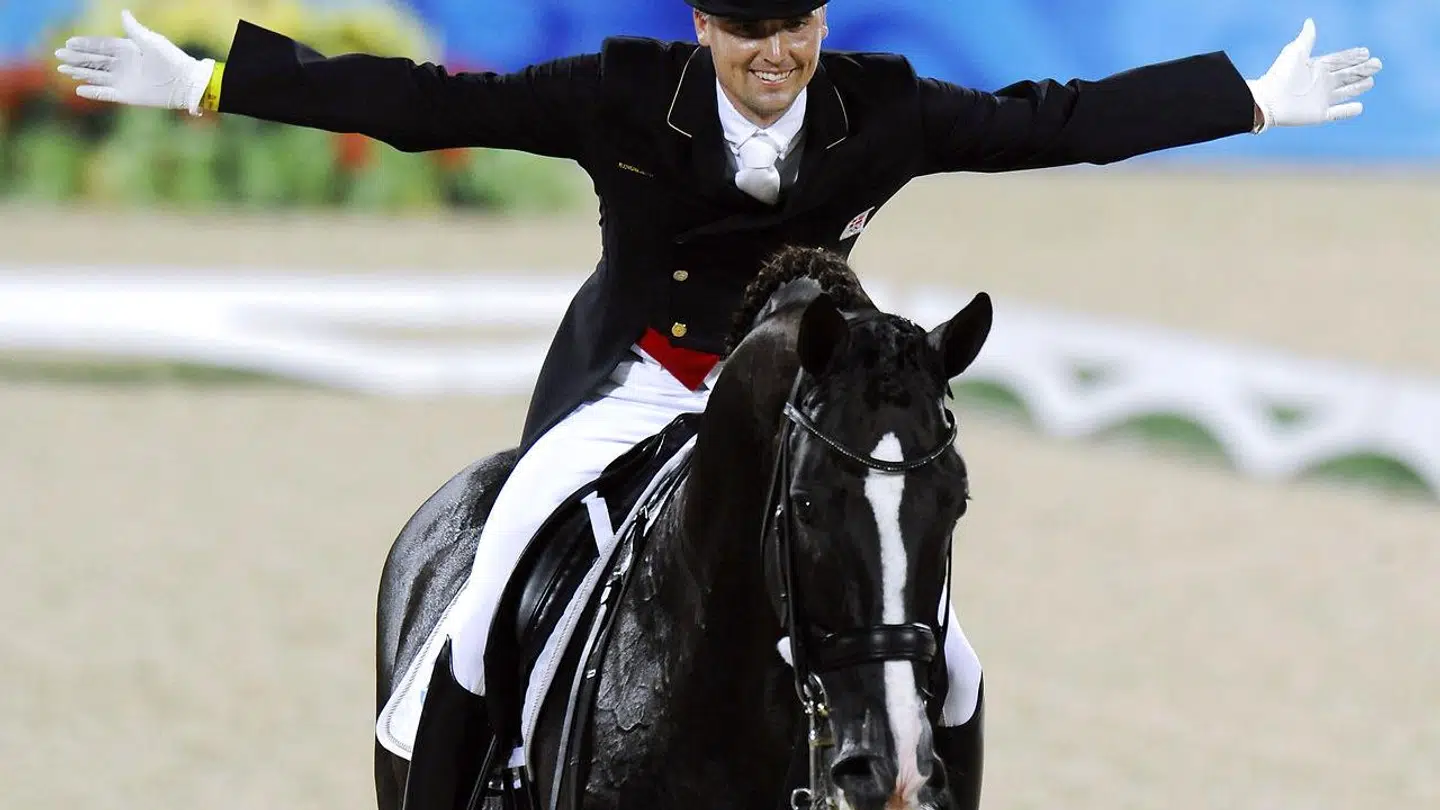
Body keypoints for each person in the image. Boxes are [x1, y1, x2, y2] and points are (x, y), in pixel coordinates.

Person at [57, 3, 1380, 808]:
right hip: (634, 382)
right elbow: (421, 102)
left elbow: (1059, 116)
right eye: (752, 31)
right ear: (705, 26)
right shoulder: (627, 92)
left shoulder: (883, 106)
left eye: (797, 26)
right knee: (486, 584)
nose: (780, 55)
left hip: (802, 403)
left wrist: (1249, 100)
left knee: (949, 656)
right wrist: (214, 79)